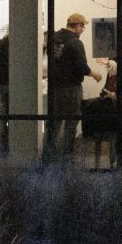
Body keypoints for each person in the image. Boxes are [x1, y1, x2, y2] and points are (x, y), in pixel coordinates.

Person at [46, 13, 102, 156]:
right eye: (82, 27)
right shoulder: (75, 42)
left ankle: (48, 155)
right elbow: (81, 67)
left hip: (54, 88)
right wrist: (95, 74)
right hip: (71, 88)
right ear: (77, 26)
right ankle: (66, 155)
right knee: (71, 122)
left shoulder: (53, 39)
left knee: (54, 123)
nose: (83, 30)